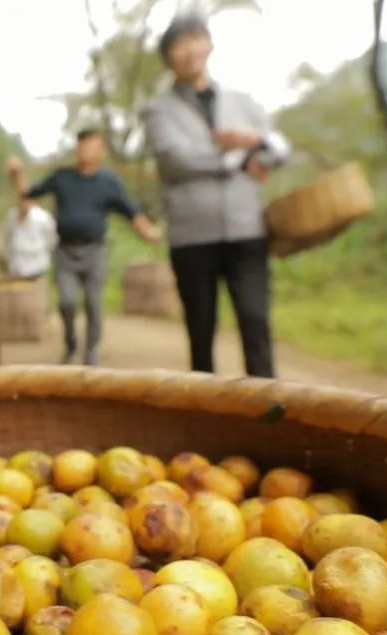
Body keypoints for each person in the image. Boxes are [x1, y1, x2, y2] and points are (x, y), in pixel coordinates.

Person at [143, 14, 290, 378]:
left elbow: (278, 150)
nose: (190, 49)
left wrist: (253, 140)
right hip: (192, 238)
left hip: (246, 231)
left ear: (208, 44)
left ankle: (266, 415)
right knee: (201, 329)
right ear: (168, 56)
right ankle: (205, 421)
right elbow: (176, 160)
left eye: (196, 38)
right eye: (180, 43)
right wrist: (242, 159)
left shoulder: (243, 102)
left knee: (256, 322)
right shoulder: (158, 110)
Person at [7, 130, 162, 365]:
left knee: (93, 302)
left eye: (91, 145)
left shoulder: (109, 182)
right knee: (67, 301)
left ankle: (91, 353)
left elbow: (131, 213)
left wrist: (150, 232)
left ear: (101, 151)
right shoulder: (62, 177)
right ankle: (70, 344)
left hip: (95, 251)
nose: (85, 149)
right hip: (65, 251)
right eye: (81, 145)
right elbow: (28, 194)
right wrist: (16, 173)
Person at [0, 194, 57, 281]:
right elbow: (5, 238)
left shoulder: (42, 217)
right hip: (15, 266)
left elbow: (51, 239)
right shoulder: (11, 216)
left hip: (37, 265)